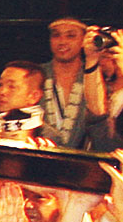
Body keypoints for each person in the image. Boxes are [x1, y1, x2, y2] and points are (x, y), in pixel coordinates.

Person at [39, 18, 92, 150]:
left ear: (83, 41)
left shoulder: (93, 77)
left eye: (71, 36)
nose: (62, 42)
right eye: (56, 35)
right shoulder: (37, 75)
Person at [0, 61, 45, 139]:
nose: (2, 92)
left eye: (12, 86)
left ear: (34, 96)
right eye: (0, 84)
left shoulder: (48, 138)